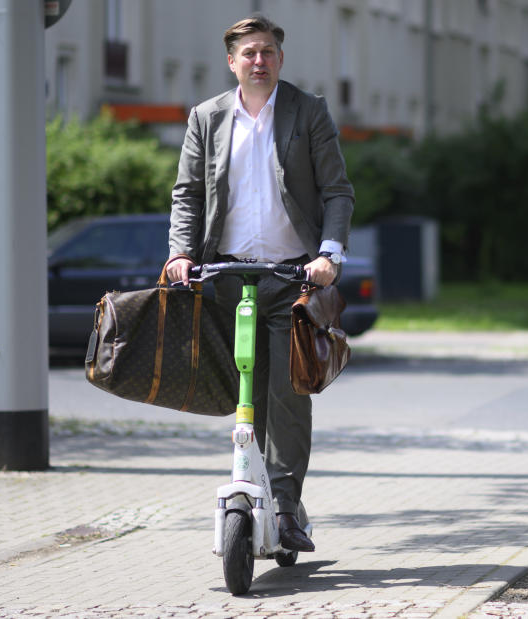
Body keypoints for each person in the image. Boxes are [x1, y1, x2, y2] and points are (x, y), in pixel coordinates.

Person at [165, 15, 355, 553]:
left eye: (268, 51)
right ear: (232, 61)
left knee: (288, 395)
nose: (259, 61)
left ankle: (288, 510)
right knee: (247, 395)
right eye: (249, 53)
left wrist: (328, 254)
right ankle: (263, 490)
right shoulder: (207, 117)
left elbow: (337, 192)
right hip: (228, 277)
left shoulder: (307, 111)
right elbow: (188, 194)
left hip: (291, 278)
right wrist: (180, 252)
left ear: (280, 58)